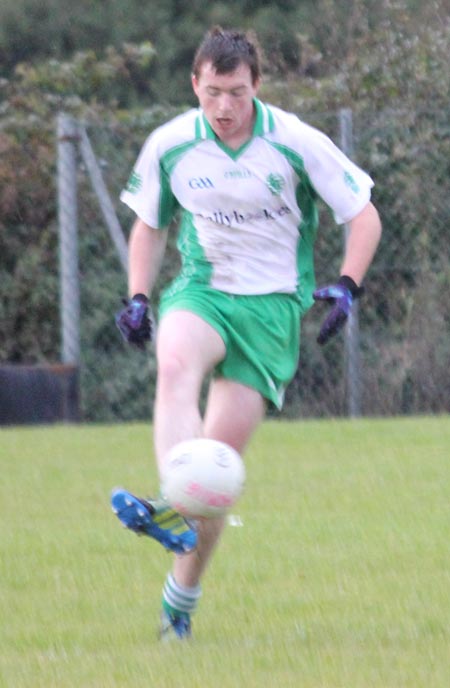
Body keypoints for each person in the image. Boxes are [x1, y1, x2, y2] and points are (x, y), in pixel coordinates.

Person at [111, 26, 382, 641]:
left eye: (236, 92)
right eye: (212, 93)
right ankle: (170, 504)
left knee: (216, 478)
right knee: (176, 365)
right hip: (203, 290)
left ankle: (180, 600)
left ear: (256, 85)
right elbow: (150, 227)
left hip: (272, 310)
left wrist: (347, 283)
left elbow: (364, 213)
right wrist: (137, 295)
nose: (224, 107)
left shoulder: (294, 141)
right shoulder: (171, 144)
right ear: (195, 86)